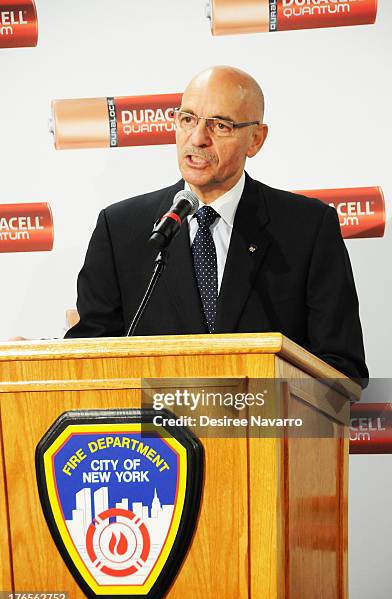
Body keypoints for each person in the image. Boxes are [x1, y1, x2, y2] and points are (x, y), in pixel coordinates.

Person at [65, 65, 368, 385]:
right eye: (187, 119)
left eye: (220, 126)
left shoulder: (307, 228)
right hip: (153, 433)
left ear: (255, 139)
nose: (198, 138)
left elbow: (342, 366)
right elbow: (87, 358)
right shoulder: (121, 228)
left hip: (266, 429)